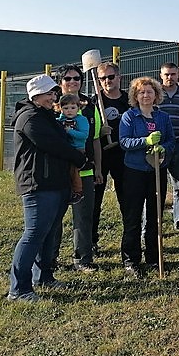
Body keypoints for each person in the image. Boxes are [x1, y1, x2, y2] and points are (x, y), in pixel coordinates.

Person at [8, 74, 89, 302]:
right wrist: (80, 159)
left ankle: (43, 276)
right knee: (33, 234)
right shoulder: (29, 118)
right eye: (49, 94)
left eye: (54, 93)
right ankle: (19, 289)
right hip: (38, 184)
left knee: (49, 233)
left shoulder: (46, 116)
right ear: (36, 95)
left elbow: (64, 139)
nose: (53, 97)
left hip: (55, 182)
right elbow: (54, 145)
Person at [118, 77, 175, 278]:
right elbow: (124, 142)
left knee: (155, 215)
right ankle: (131, 260)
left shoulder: (163, 118)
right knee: (132, 216)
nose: (145, 95)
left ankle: (153, 257)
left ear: (156, 95)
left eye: (149, 92)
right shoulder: (129, 117)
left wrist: (163, 147)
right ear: (135, 95)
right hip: (134, 171)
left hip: (156, 172)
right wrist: (146, 141)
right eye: (141, 92)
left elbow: (171, 142)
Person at [56, 64, 102, 273]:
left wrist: (98, 168)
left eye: (77, 78)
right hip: (57, 170)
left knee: (84, 216)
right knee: (54, 216)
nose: (73, 82)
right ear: (60, 83)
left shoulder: (91, 106)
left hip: (84, 169)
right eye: (67, 79)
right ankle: (50, 258)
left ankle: (82, 259)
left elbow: (95, 140)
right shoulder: (51, 105)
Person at [92, 61, 129, 256]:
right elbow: (87, 129)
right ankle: (92, 241)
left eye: (110, 77)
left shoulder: (129, 100)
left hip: (124, 155)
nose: (107, 81)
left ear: (119, 77)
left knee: (127, 199)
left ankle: (130, 241)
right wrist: (99, 130)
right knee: (95, 199)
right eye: (103, 78)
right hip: (101, 155)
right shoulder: (94, 102)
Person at [158, 62, 179, 233]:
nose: (169, 77)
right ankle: (155, 222)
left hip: (178, 143)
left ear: (178, 75)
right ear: (161, 75)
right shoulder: (155, 93)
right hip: (159, 145)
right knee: (157, 186)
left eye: (173, 74)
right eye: (166, 74)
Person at [56, 93, 88, 205]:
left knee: (74, 170)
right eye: (65, 108)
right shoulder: (61, 119)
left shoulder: (82, 120)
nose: (69, 111)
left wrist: (70, 131)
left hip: (78, 149)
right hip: (66, 149)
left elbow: (84, 135)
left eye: (73, 108)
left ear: (78, 108)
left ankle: (78, 191)